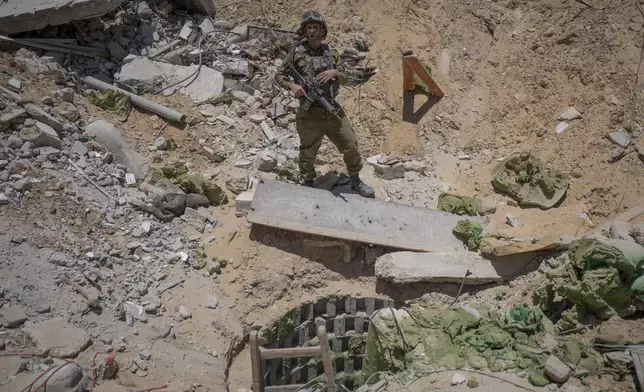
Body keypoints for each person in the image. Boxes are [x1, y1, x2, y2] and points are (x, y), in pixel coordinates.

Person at [274, 10, 375, 198]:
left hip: (331, 107)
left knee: (350, 143)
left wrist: (335, 73)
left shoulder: (331, 53)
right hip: (309, 112)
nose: (312, 31)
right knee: (308, 151)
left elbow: (347, 78)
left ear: (322, 30)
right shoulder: (296, 52)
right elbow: (279, 75)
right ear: (304, 30)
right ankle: (308, 182)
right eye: (309, 27)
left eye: (316, 27)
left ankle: (355, 179)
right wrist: (292, 85)